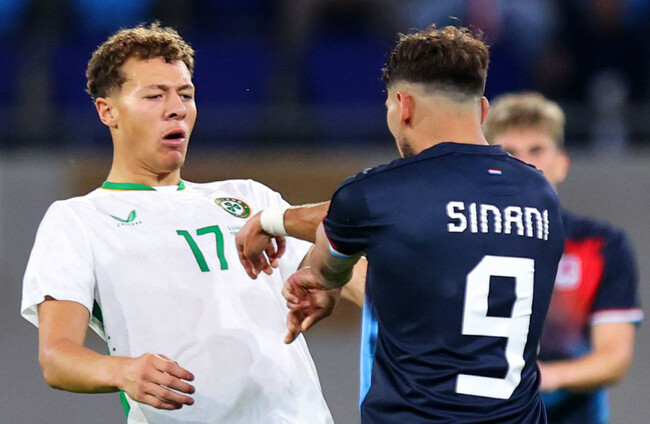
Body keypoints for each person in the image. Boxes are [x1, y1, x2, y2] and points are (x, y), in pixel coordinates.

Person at [238, 25, 565, 423]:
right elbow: (437, 220)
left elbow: (331, 261)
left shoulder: (375, 194)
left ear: (403, 106)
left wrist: (296, 247)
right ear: (482, 111)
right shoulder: (539, 193)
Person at [20, 23, 336, 424]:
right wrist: (122, 371)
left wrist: (340, 278)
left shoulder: (250, 199)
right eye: (155, 95)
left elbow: (348, 272)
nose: (177, 108)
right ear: (107, 111)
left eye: (185, 94)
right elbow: (56, 358)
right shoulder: (79, 220)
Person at [483, 92, 643, 424]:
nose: (525, 163)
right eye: (509, 152)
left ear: (562, 163)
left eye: (536, 150)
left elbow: (614, 358)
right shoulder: (461, 243)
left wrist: (542, 378)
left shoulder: (599, 246)